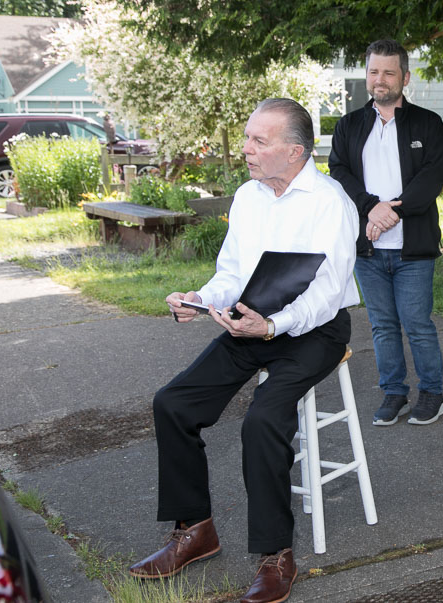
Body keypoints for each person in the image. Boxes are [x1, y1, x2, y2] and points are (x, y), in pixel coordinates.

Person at [128, 98, 360, 603]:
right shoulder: (248, 196)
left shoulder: (331, 203)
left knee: (263, 421)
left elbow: (325, 293)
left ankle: (276, 554)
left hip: (312, 330)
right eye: (249, 137)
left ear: (295, 151)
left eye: (260, 141)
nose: (248, 150)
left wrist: (274, 325)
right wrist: (201, 299)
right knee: (174, 403)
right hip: (249, 320)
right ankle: (196, 530)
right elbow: (232, 272)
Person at [329, 39, 443, 426]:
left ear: (405, 77)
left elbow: (430, 178)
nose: (380, 80)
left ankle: (432, 393)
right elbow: (339, 173)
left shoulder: (427, 124)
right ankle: (394, 393)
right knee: (382, 326)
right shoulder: (349, 125)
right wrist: (371, 209)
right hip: (368, 250)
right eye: (373, 72)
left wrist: (388, 213)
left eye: (389, 72)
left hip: (412, 248)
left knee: (417, 324)